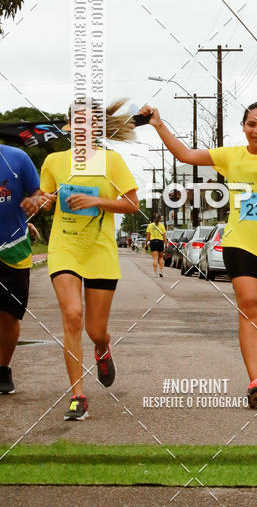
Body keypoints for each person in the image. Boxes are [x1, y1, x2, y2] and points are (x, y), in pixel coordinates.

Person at [140, 100, 257, 409]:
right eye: (251, 124)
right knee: (250, 306)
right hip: (240, 243)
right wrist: (158, 124)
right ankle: (254, 381)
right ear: (243, 127)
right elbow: (185, 155)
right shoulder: (231, 156)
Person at [38, 99, 139, 421]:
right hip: (65, 247)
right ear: (69, 126)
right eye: (76, 121)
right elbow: (46, 201)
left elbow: (132, 205)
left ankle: (102, 348)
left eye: (89, 122)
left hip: (100, 251)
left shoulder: (112, 161)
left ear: (97, 127)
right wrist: (44, 201)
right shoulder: (54, 161)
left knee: (96, 329)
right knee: (72, 314)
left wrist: (97, 199)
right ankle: (78, 395)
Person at [0, 144, 44, 395]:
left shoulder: (17, 158)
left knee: (9, 313)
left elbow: (39, 193)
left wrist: (34, 203)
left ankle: (2, 368)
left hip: (13, 249)